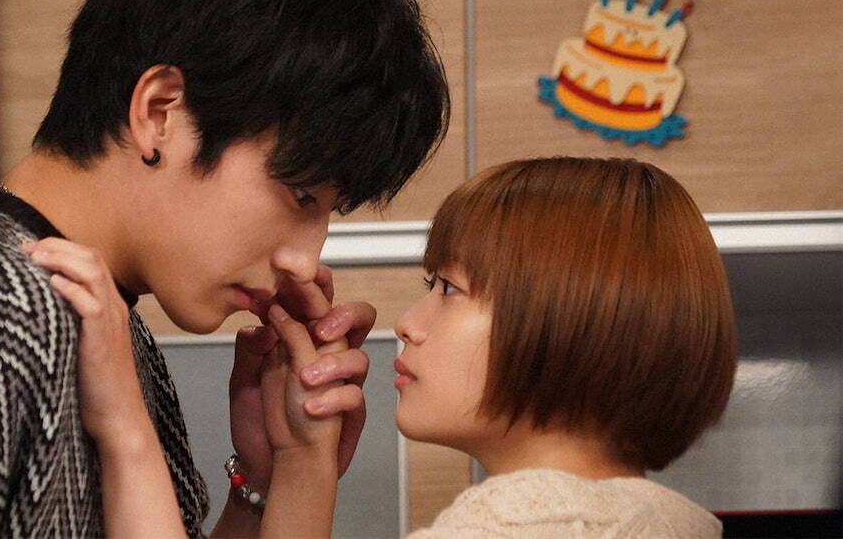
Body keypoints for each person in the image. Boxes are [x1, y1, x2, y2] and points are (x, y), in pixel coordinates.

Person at [0, 0, 449, 536]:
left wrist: (270, 476)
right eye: (301, 194)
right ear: (159, 112)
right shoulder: (13, 307)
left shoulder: (108, 318)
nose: (304, 263)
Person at [62, 156, 737, 537]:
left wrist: (126, 429)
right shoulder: (673, 524)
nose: (409, 323)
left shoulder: (512, 527)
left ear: (568, 319)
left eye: (448, 288)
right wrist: (297, 460)